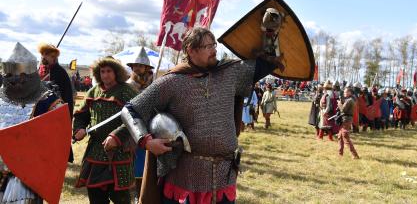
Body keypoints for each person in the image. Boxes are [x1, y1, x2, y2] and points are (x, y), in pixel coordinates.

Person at [120, 27, 279, 204]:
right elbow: (130, 110)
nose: (214, 50)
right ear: (192, 50)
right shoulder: (172, 82)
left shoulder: (230, 73)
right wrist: (146, 141)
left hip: (224, 175)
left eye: (214, 45)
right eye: (208, 46)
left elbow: (267, 63)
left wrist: (270, 35)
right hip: (186, 175)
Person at [0, 42, 68, 203]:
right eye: (10, 76)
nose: (15, 80)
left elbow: (56, 139)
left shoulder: (48, 100)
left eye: (20, 75)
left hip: (26, 174)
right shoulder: (1, 96)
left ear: (29, 74)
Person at [73, 57, 138, 204]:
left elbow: (136, 117)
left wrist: (117, 136)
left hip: (120, 150)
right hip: (96, 149)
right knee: (95, 194)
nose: (105, 75)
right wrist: (79, 128)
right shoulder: (93, 92)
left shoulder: (127, 91)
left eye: (109, 71)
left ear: (116, 73)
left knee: (121, 198)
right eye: (102, 71)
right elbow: (81, 115)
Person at [125, 47, 155, 204]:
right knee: (134, 161)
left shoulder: (154, 84)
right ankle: (135, 191)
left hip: (150, 125)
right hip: (133, 126)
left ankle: (145, 190)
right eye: (135, 65)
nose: (137, 68)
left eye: (140, 65)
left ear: (147, 68)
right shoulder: (128, 85)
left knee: (146, 161)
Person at [336, 87, 360, 159]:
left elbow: (343, 110)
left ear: (350, 92)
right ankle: (340, 154)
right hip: (345, 119)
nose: (344, 93)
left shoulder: (350, 100)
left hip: (346, 120)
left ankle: (355, 155)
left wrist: (339, 104)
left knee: (345, 137)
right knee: (340, 137)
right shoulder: (349, 100)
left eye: (345, 92)